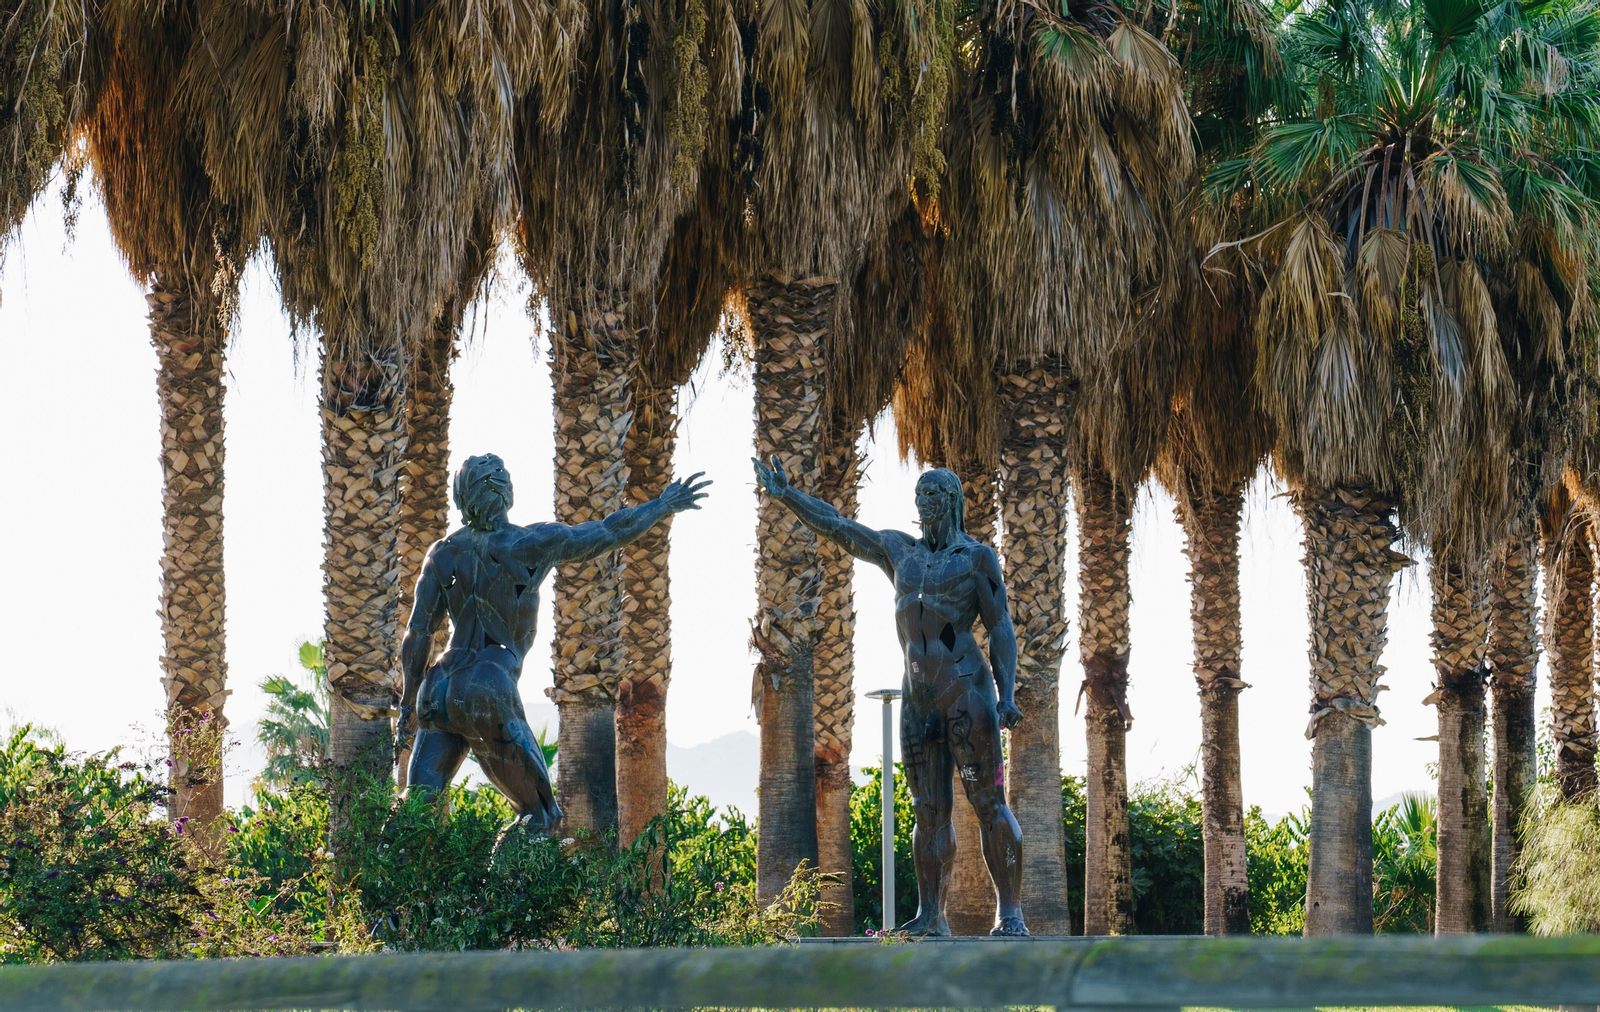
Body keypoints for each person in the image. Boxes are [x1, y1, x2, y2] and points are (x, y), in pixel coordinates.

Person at [753, 455, 1027, 935]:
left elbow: (1000, 626)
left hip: (966, 693)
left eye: (933, 495)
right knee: (927, 810)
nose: (923, 503)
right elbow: (839, 527)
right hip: (918, 699)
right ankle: (930, 916)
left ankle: (1012, 915)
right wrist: (787, 495)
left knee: (989, 803)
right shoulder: (901, 552)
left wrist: (1007, 696)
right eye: (919, 495)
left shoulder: (976, 558)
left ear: (953, 502)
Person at [398, 453, 711, 837]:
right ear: (506, 494)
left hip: (439, 685)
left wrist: (408, 703)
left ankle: (389, 889)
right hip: (487, 685)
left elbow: (418, 633)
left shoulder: (442, 553)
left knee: (415, 808)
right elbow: (610, 531)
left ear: (461, 499)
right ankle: (506, 896)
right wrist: (663, 505)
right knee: (541, 817)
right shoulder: (530, 543)